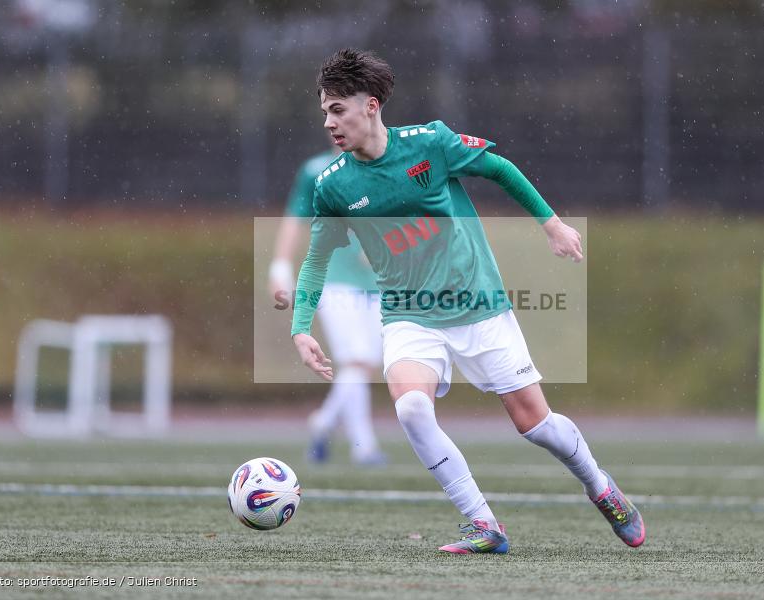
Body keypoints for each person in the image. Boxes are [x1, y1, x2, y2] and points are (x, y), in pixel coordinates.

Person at [290, 48, 644, 553]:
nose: (328, 122)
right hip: (409, 315)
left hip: (478, 305)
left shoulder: (430, 142)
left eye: (337, 109)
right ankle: (484, 524)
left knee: (536, 425)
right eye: (325, 111)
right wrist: (301, 326)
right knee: (412, 409)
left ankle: (601, 487)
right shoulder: (333, 185)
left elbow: (499, 169)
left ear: (371, 105)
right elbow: (316, 259)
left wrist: (551, 224)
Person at [270, 145, 387, 465]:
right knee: (357, 360)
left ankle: (323, 422)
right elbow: (294, 220)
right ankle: (365, 447)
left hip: (377, 281)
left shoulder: (383, 165)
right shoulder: (317, 170)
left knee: (364, 365)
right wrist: (280, 267)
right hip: (334, 279)